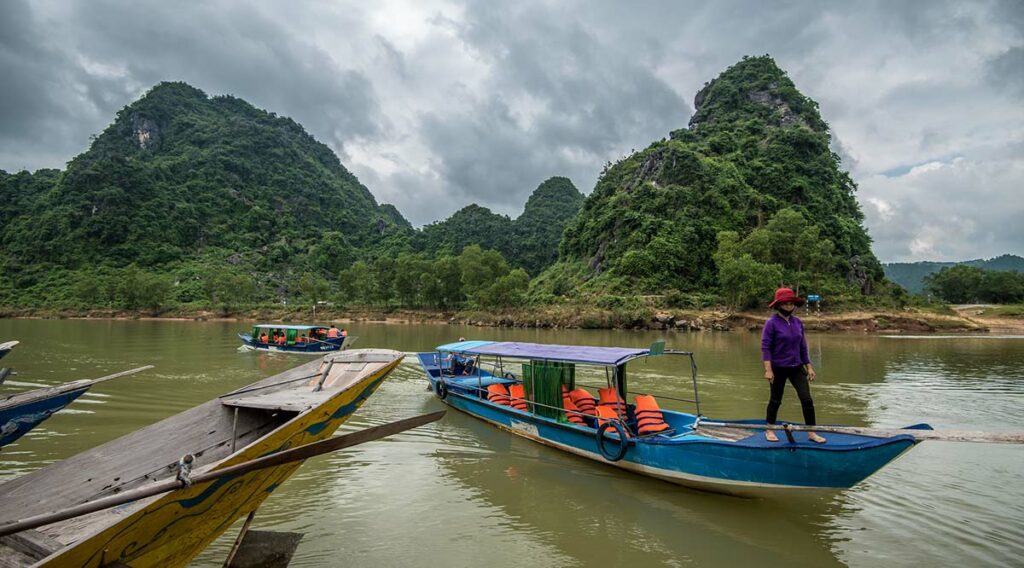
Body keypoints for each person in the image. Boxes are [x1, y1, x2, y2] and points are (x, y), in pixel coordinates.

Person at [761, 287, 825, 444]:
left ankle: (811, 432)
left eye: (791, 303)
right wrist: (768, 370)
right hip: (778, 368)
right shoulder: (771, 323)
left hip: (797, 367)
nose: (789, 306)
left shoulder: (798, 323)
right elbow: (766, 347)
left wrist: (809, 367)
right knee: (776, 400)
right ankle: (769, 429)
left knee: (807, 399)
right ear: (779, 305)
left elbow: (802, 346)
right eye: (786, 303)